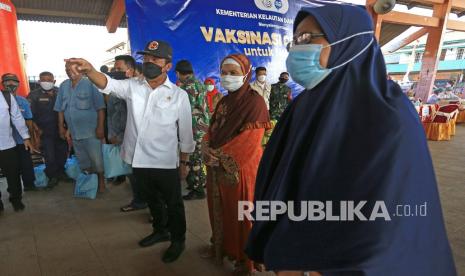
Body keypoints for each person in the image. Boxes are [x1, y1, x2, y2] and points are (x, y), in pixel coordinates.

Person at [245, 3, 456, 276]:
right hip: (295, 248)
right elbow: (282, 175)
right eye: (294, 41)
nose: (297, 49)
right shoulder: (305, 104)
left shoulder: (389, 116)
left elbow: (392, 219)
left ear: (350, 43)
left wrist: (315, 272)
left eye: (307, 39)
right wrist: (268, 237)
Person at [64, 40, 195, 263]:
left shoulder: (179, 95)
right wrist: (90, 70)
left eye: (155, 59)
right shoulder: (134, 85)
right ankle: (160, 230)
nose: (149, 62)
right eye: (146, 58)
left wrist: (184, 163)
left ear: (168, 66)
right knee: (151, 199)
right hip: (138, 159)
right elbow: (108, 84)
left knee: (173, 203)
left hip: (165, 162)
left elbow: (186, 133)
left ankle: (178, 239)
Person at [202, 54, 271, 273]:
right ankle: (222, 247)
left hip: (241, 168)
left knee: (241, 215)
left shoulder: (255, 101)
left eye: (234, 73)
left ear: (246, 74)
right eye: (224, 72)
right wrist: (205, 147)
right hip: (216, 164)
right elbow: (212, 129)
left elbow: (251, 140)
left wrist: (220, 156)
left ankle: (245, 260)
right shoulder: (224, 100)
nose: (227, 77)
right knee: (220, 210)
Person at [54, 64, 106, 193]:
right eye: (66, 70)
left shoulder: (91, 84)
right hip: (74, 132)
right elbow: (60, 109)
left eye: (72, 69)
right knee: (82, 160)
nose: (69, 72)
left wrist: (100, 128)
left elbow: (100, 108)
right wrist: (62, 127)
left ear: (80, 70)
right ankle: (89, 182)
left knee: (96, 159)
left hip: (91, 131)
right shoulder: (64, 86)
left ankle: (101, 181)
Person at [107, 55, 147, 212]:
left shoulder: (138, 89)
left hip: (134, 137)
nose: (116, 72)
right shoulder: (117, 87)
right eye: (114, 69)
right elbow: (112, 113)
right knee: (132, 173)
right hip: (121, 136)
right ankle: (139, 200)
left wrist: (121, 134)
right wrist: (112, 133)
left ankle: (151, 205)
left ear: (130, 70)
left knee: (144, 175)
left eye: (119, 69)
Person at [1, 73, 36, 211]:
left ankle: (16, 199)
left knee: (13, 173)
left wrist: (26, 138)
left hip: (7, 144)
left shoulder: (6, 98)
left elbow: (18, 119)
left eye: (13, 81)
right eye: (7, 81)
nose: (10, 84)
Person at [175, 59, 209, 200]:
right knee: (198, 158)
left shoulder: (187, 87)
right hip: (202, 126)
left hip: (193, 128)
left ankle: (197, 190)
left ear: (178, 73)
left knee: (194, 159)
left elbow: (185, 109)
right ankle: (197, 183)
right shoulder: (200, 84)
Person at [28, 71, 69, 188]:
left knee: (62, 152)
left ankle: (61, 172)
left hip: (61, 129)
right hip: (44, 131)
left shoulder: (60, 92)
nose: (46, 82)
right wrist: (36, 130)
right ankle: (52, 176)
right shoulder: (33, 95)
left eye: (49, 80)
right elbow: (29, 116)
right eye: (43, 80)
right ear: (39, 81)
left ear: (54, 81)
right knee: (49, 155)